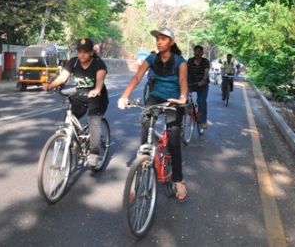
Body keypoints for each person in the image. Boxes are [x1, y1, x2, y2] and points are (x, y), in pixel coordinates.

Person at [118, 27, 188, 202]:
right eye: (158, 38)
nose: (159, 41)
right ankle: (142, 170)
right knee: (146, 126)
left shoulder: (180, 61)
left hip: (174, 99)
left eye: (164, 38)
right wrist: (124, 96)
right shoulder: (151, 59)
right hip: (156, 96)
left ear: (171, 42)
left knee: (173, 139)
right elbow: (137, 77)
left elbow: (182, 81)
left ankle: (178, 180)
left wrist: (182, 98)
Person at [42, 38, 109, 168]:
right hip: (80, 95)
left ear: (91, 53)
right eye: (79, 51)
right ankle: (73, 139)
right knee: (69, 120)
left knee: (94, 123)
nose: (82, 54)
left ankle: (93, 153)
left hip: (97, 98)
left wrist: (96, 90)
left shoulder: (98, 63)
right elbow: (62, 78)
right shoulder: (73, 62)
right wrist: (50, 86)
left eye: (85, 51)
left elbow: (100, 78)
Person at [187, 45, 210, 129]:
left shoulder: (205, 61)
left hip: (202, 84)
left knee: (202, 101)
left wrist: (203, 80)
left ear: (202, 53)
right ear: (194, 52)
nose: (197, 53)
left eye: (199, 51)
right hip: (191, 83)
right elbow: (186, 71)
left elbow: (206, 71)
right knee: (183, 96)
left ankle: (203, 121)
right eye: (196, 51)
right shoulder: (190, 61)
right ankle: (188, 109)